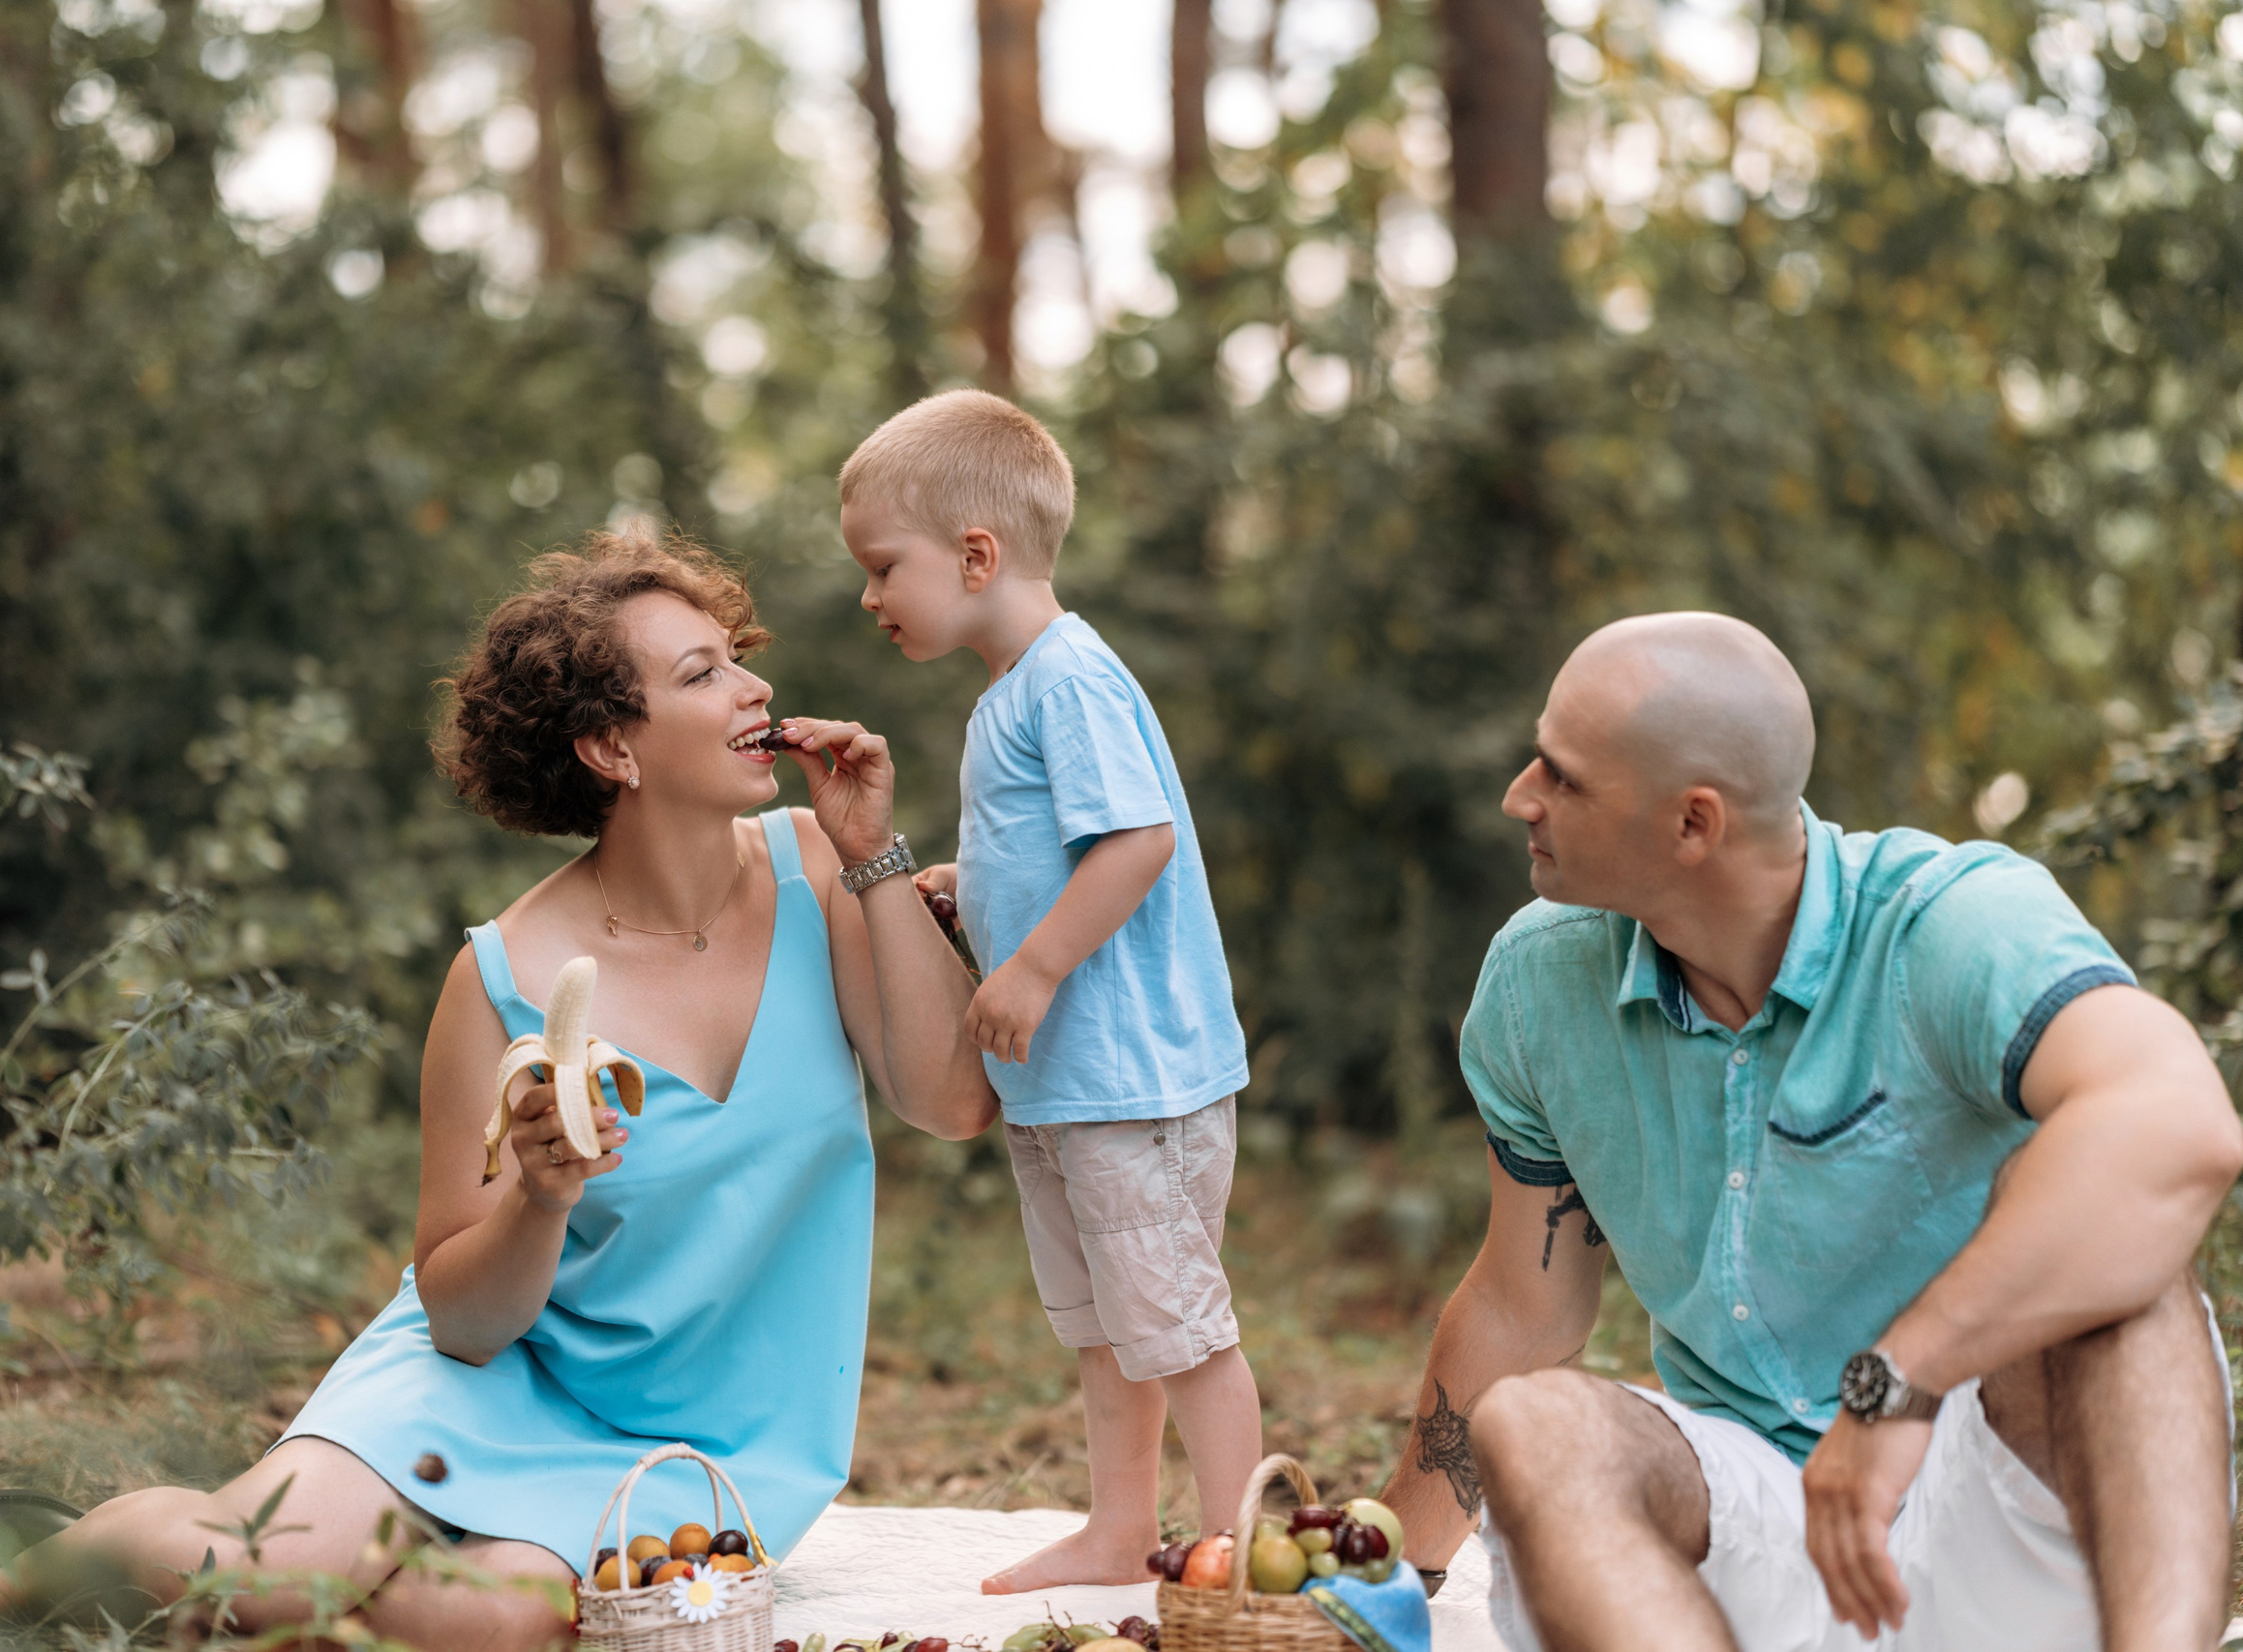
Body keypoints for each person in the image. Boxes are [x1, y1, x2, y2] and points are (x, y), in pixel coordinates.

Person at [0, 528, 997, 1646]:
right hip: (478, 1380)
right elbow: (462, 1321)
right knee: (262, 1575)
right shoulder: (500, 978)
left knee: (477, 1626)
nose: (756, 684)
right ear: (612, 748)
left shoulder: (821, 866)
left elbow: (949, 1105)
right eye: (701, 673)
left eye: (734, 657)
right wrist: (540, 1198)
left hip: (705, 1438)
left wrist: (876, 853)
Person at [1377, 612, 2243, 1650]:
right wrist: (1387, 1578)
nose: (1520, 796)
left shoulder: (1949, 923)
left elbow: (2180, 1125)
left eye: (1562, 777)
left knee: (2130, 1286)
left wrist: (1894, 1389)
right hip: (1745, 1541)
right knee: (1532, 1423)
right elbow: (1523, 1307)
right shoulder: (1535, 982)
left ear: (1692, 824)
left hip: (1985, 1510)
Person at [836, 389, 1260, 1594]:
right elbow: (1069, 853)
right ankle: (1121, 1528)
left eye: (883, 568)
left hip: (1131, 1079)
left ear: (977, 554)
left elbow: (1136, 841)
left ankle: (1242, 1552)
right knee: (1103, 1325)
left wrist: (1028, 964)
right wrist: (975, 893)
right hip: (1064, 1085)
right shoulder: (1015, 692)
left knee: (1177, 1329)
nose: (870, 597)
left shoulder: (1068, 679)